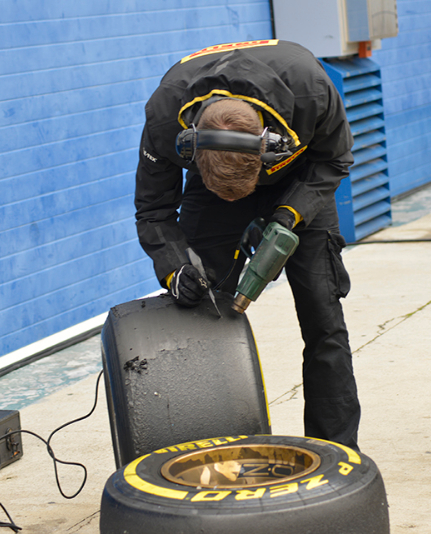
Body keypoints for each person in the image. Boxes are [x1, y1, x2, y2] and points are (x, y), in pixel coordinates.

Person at [134, 39, 360, 449]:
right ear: (190, 146)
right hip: (212, 193)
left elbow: (334, 158)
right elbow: (153, 210)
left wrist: (290, 215)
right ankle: (210, 451)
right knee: (199, 313)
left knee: (324, 321)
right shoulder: (166, 115)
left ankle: (337, 450)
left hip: (300, 179)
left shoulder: (310, 90)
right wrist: (174, 267)